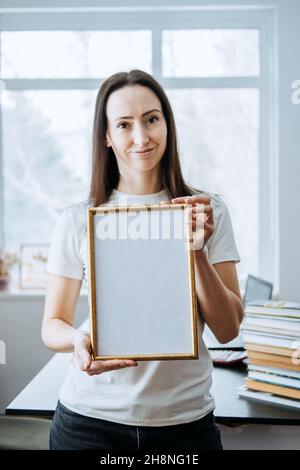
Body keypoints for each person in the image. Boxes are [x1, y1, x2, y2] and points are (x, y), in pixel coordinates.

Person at [42, 69, 243, 451]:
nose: (141, 137)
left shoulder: (206, 210)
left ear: (167, 123)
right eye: (123, 124)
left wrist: (196, 250)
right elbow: (52, 324)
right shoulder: (79, 218)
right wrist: (78, 340)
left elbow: (228, 330)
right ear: (106, 136)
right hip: (90, 422)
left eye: (152, 119)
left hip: (184, 423)